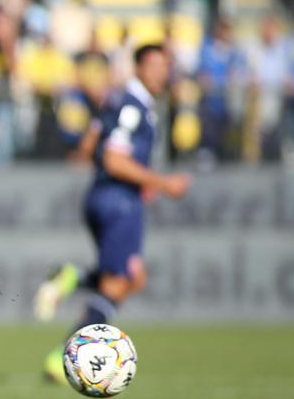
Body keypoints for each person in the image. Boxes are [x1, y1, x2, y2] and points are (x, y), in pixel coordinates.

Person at [33, 44, 191, 381]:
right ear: (138, 68)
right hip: (119, 202)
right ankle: (64, 358)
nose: (161, 72)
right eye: (153, 65)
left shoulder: (118, 102)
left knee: (132, 277)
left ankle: (73, 278)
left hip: (105, 195)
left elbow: (90, 145)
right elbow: (114, 159)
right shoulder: (133, 107)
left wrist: (135, 181)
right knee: (119, 280)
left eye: (165, 65)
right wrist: (161, 182)